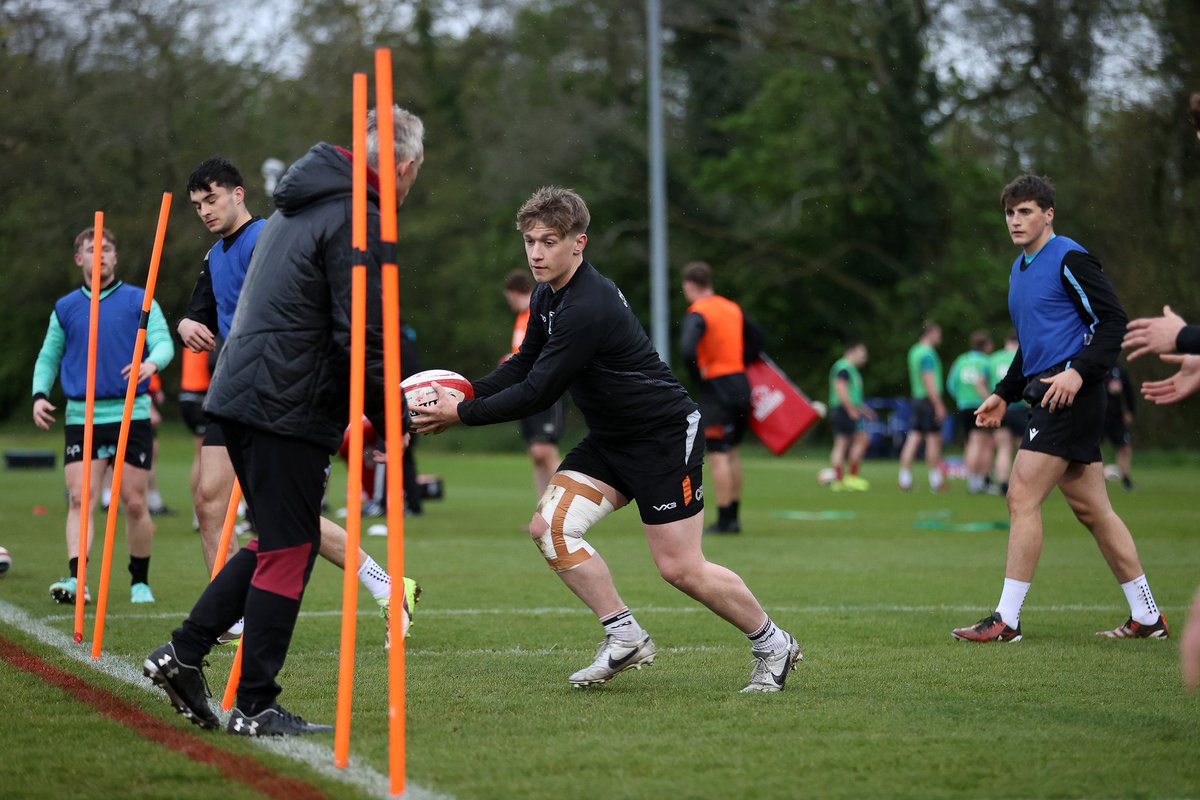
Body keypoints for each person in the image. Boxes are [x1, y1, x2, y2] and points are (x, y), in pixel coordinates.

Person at [412, 186, 801, 693]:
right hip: (612, 438)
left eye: (549, 241)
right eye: (529, 241)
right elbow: (525, 365)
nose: (535, 253)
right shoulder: (545, 294)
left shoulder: (587, 305)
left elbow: (538, 391)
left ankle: (773, 643)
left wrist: (461, 411)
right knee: (549, 527)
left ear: (580, 243)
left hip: (663, 437)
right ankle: (625, 635)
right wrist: (461, 394)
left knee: (680, 568)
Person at [145, 108, 425, 736]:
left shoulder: (299, 204)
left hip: (241, 396)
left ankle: (182, 654)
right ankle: (253, 704)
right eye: (415, 175)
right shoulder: (359, 215)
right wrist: (393, 419)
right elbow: (361, 332)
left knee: (277, 539)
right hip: (286, 405)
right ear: (404, 167)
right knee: (289, 549)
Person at [176, 156, 411, 647]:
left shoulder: (268, 238)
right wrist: (186, 325)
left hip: (280, 392)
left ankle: (386, 583)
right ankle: (232, 615)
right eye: (197, 204)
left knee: (286, 518)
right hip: (234, 390)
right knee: (208, 500)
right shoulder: (213, 258)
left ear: (238, 193)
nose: (205, 211)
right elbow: (198, 312)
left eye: (212, 199)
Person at [953, 174, 1166, 643]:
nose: (1015, 220)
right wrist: (1003, 393)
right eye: (1010, 212)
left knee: (1021, 496)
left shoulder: (1069, 256)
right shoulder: (1019, 267)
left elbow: (1113, 321)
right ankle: (1147, 614)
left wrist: (1078, 371)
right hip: (1049, 391)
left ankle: (1007, 619)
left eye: (1026, 210)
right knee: (1095, 511)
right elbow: (1031, 345)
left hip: (1070, 394)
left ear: (1049, 214)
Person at [32, 226, 174, 605]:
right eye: (93, 249)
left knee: (135, 502)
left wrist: (151, 364)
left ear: (115, 257)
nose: (101, 255)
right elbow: (49, 356)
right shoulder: (66, 307)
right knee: (80, 498)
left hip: (131, 412)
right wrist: (39, 394)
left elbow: (163, 341)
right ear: (80, 258)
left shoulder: (138, 300)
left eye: (107, 249)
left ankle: (139, 580)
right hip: (83, 415)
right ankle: (78, 579)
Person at [679, 261, 761, 534]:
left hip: (717, 388)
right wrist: (741, 360)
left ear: (689, 286)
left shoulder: (698, 312)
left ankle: (725, 520)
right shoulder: (732, 308)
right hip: (740, 383)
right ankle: (734, 516)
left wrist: (698, 376)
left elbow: (687, 349)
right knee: (732, 452)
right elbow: (759, 339)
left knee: (717, 454)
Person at [503, 269, 565, 497]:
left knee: (545, 451)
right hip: (527, 388)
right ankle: (543, 512)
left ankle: (567, 506)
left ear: (514, 293)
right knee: (536, 454)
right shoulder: (521, 318)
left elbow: (550, 350)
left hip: (546, 388)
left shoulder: (537, 312)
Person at [897, 322, 946, 492]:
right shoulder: (928, 354)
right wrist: (938, 404)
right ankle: (935, 481)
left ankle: (904, 479)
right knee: (933, 439)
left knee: (913, 438)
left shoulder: (914, 350)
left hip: (916, 399)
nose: (940, 337)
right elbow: (929, 380)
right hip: (927, 400)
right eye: (938, 333)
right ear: (930, 333)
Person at [945, 331, 995, 494]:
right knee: (983, 444)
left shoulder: (961, 360)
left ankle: (974, 480)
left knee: (970, 443)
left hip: (964, 406)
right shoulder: (987, 361)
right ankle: (979, 481)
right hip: (981, 405)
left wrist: (961, 397)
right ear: (986, 345)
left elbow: (951, 384)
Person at [826, 341, 874, 491]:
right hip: (843, 410)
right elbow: (841, 389)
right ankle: (843, 479)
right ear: (852, 351)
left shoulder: (850, 369)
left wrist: (864, 410)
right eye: (862, 354)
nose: (864, 358)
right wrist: (851, 409)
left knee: (857, 440)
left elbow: (853, 395)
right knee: (844, 443)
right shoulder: (844, 368)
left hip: (846, 409)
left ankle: (844, 478)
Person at [177, 347, 212, 530]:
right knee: (205, 455)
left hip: (188, 396)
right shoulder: (213, 327)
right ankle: (201, 511)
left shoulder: (194, 325)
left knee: (201, 455)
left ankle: (199, 512)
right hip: (201, 396)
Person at [988, 330, 1025, 495]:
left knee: (1003, 448)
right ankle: (1027, 483)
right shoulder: (1024, 355)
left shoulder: (993, 359)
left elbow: (979, 380)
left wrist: (988, 397)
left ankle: (1003, 483)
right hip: (1020, 407)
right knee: (1026, 449)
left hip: (999, 407)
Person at [1101, 365, 1136, 490]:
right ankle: (1099, 479)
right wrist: (1107, 387)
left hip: (1117, 418)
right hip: (1099, 416)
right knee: (1095, 448)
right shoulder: (1095, 366)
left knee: (1125, 446)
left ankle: (1126, 480)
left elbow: (1129, 391)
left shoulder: (1119, 370)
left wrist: (1131, 411)